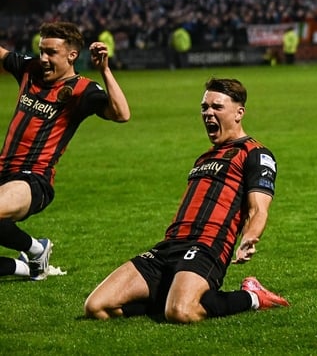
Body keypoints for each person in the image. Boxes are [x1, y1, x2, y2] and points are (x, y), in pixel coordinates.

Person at [84, 78, 288, 323]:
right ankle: (172, 294)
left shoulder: (255, 153)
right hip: (169, 246)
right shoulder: (203, 158)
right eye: (204, 107)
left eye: (217, 107)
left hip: (207, 246)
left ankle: (251, 296)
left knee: (182, 312)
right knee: (97, 307)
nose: (208, 113)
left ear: (239, 112)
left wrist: (250, 237)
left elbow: (259, 209)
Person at [0, 21, 130, 281]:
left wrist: (104, 70)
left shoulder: (82, 90)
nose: (44, 59)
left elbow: (122, 114)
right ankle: (27, 264)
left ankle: (36, 249)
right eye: (41, 51)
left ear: (72, 55)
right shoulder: (29, 69)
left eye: (51, 53)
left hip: (33, 178)